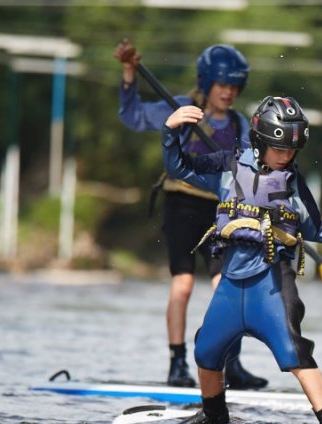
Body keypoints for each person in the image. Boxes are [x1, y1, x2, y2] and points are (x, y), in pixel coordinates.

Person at [160, 96, 322, 424]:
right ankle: (214, 415)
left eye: (291, 150)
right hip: (230, 283)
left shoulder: (294, 183)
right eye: (279, 149)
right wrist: (170, 131)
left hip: (270, 284)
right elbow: (179, 167)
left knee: (295, 353)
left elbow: (316, 228)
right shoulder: (228, 167)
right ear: (260, 142)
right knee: (206, 349)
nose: (286, 156)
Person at [114, 39, 267, 390]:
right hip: (181, 205)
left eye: (234, 86)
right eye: (222, 85)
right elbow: (133, 115)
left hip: (220, 212)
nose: (228, 93)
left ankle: (232, 363)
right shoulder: (180, 106)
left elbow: (246, 170)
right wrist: (128, 72)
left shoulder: (240, 124)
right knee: (182, 285)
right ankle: (177, 363)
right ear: (207, 81)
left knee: (228, 286)